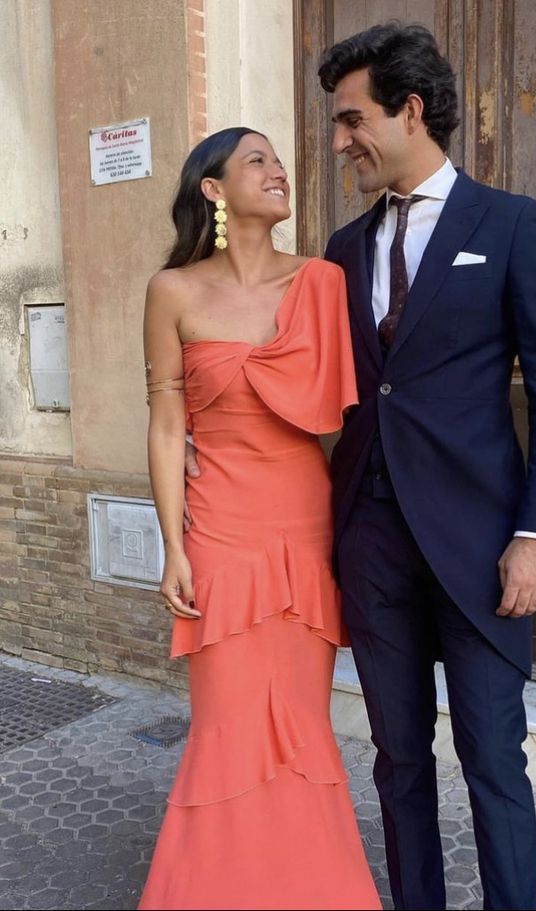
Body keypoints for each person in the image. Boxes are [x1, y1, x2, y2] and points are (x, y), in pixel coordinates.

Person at [319, 23, 536, 911]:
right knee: (397, 759)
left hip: (481, 551)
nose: (339, 140)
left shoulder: (509, 224)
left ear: (410, 109)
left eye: (352, 118)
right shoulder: (341, 251)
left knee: (491, 761)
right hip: (374, 543)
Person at [138, 127, 381, 911]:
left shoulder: (322, 279)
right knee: (227, 723)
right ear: (213, 189)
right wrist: (171, 544)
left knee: (300, 721)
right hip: (216, 526)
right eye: (258, 161)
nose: (280, 172)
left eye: (279, 162)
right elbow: (166, 422)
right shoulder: (171, 291)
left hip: (302, 522)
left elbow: (358, 410)